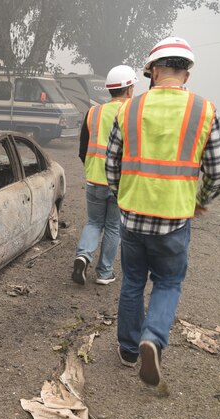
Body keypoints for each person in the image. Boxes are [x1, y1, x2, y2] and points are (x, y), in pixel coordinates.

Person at [105, 37, 220, 386]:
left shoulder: (129, 108)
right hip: (175, 218)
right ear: (186, 74)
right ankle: (153, 337)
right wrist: (200, 200)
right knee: (169, 281)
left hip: (131, 216)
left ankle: (129, 350)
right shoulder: (204, 110)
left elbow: (111, 164)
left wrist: (121, 193)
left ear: (154, 71)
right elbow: (219, 170)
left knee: (132, 281)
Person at [72, 65, 138, 286]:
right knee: (112, 226)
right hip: (121, 182)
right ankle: (104, 272)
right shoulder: (133, 113)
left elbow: (83, 149)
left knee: (93, 222)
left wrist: (92, 167)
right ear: (129, 89)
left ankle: (83, 255)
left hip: (94, 179)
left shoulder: (94, 112)